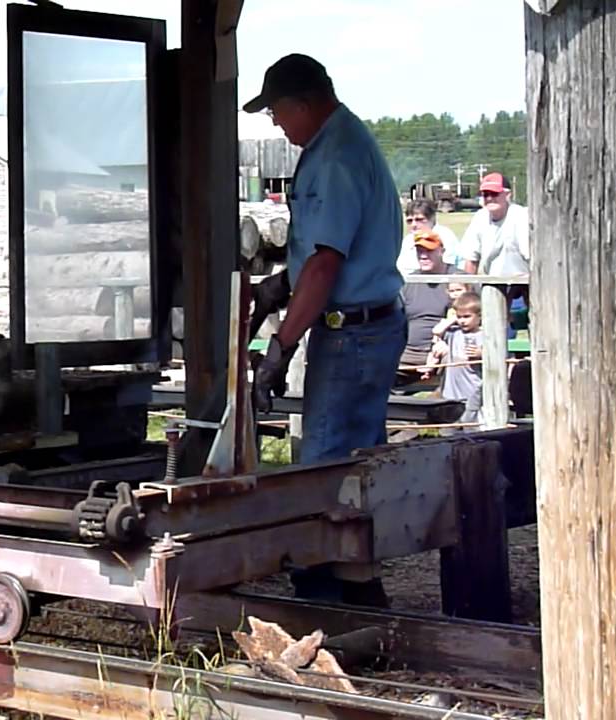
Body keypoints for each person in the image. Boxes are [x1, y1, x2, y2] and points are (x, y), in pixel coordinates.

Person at [245, 53, 406, 605]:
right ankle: (360, 591)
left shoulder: (336, 157)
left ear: (306, 102)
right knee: (356, 463)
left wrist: (280, 347)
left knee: (324, 467)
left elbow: (325, 264)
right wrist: (276, 288)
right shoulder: (337, 145)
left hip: (354, 332)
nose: (274, 123)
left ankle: (323, 599)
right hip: (363, 326)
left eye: (276, 111)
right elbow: (314, 256)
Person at [395, 230, 463, 388]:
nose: (423, 256)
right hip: (407, 352)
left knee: (457, 358)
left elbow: (475, 316)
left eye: (429, 251)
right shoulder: (409, 282)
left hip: (446, 350)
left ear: (442, 251)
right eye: (420, 251)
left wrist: (448, 343)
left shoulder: (459, 280)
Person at [426, 292, 484, 432]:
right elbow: (437, 331)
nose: (462, 321)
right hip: (451, 393)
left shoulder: (484, 335)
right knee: (448, 431)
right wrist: (453, 318)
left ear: (479, 316)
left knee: (470, 429)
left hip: (472, 392)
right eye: (460, 317)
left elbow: (497, 359)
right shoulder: (453, 333)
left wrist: (481, 354)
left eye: (467, 317)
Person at [460, 173, 529, 276]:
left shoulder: (521, 216)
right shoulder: (480, 218)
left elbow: (532, 257)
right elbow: (471, 259)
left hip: (524, 281)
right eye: (486, 194)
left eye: (494, 193)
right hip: (493, 281)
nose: (489, 198)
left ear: (508, 194)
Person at [396, 198, 461, 273]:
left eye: (419, 219)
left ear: (432, 218)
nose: (413, 225)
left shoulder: (445, 237)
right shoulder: (407, 241)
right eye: (410, 221)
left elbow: (448, 270)